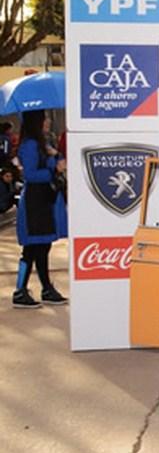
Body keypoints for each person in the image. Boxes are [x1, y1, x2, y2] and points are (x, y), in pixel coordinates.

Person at [12, 110, 68, 308]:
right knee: (32, 248)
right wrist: (54, 169)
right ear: (36, 121)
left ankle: (46, 289)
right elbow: (30, 174)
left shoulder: (42, 143)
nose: (48, 121)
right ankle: (20, 290)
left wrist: (56, 157)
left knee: (43, 246)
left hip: (45, 199)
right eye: (44, 118)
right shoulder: (30, 145)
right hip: (35, 202)